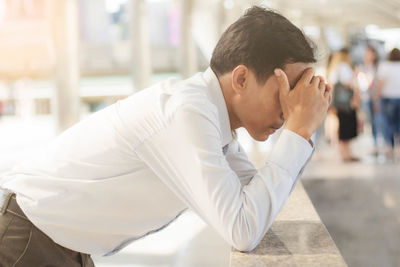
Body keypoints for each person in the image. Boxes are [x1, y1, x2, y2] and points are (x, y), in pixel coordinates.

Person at [0, 6, 331, 267]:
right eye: (287, 92)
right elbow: (242, 229)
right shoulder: (187, 112)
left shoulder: (214, 122)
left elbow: (258, 202)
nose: (290, 108)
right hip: (29, 236)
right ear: (241, 79)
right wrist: (298, 129)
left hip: (59, 240)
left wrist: (299, 131)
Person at [328, 48, 360, 162]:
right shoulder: (344, 67)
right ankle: (346, 154)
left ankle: (344, 153)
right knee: (347, 128)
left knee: (342, 127)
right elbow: (349, 84)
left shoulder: (334, 68)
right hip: (347, 104)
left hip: (339, 104)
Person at [357, 45, 381, 156]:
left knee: (379, 122)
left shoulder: (378, 67)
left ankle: (383, 144)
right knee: (371, 122)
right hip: (366, 98)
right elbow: (359, 84)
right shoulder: (361, 68)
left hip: (378, 99)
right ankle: (375, 145)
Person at [377, 48, 400, 160]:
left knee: (387, 122)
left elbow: (380, 84)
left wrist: (377, 99)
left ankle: (389, 146)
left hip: (387, 98)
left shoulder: (384, 66)